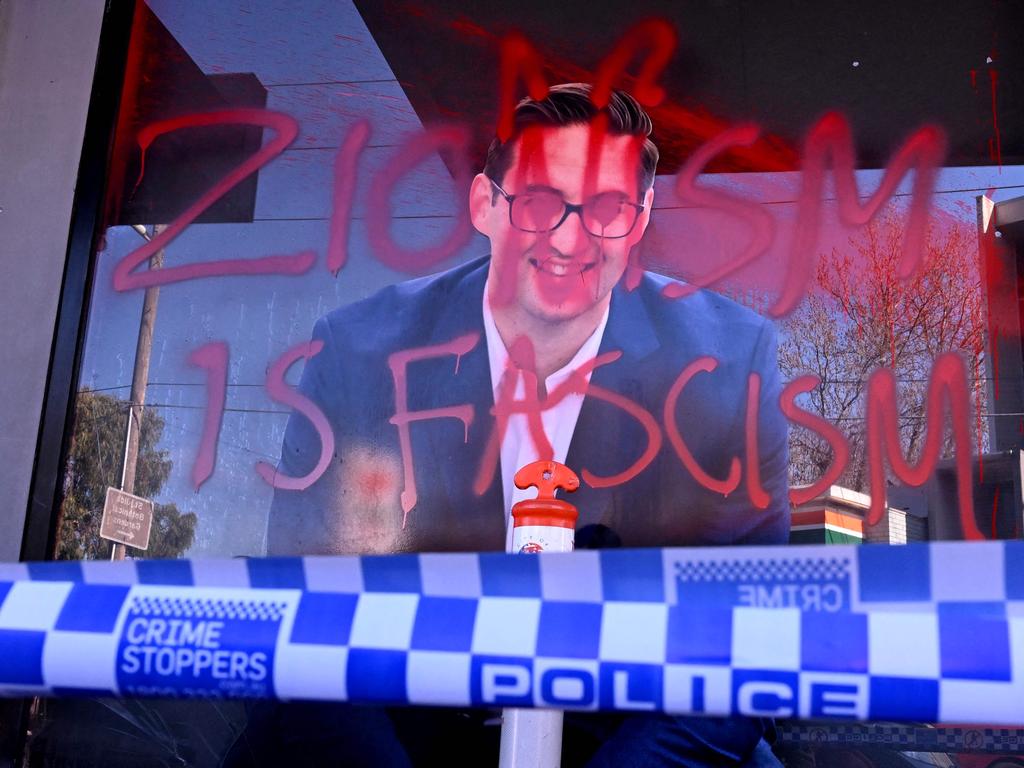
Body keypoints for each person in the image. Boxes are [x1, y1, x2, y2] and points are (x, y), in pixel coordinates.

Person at [239, 84, 788, 767]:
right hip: (398, 732)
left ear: (640, 218)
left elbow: (738, 650)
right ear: (484, 205)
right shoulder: (359, 353)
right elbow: (307, 618)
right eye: (538, 202)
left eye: (608, 209)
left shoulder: (729, 365)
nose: (569, 237)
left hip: (625, 742)